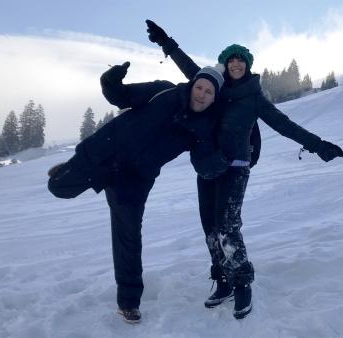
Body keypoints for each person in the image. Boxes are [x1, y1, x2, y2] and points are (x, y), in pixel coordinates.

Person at [146, 20, 343, 320]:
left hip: (236, 169)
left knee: (228, 227)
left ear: (248, 65)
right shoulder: (215, 87)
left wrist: (318, 145)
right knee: (210, 230)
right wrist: (167, 43)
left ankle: (242, 283)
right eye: (232, 59)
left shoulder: (254, 98)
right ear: (225, 64)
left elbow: (284, 125)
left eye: (241, 59)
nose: (236, 63)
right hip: (207, 168)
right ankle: (223, 279)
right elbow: (190, 69)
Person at [47, 61, 226, 324]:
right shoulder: (163, 91)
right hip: (105, 154)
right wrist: (111, 80)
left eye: (209, 93)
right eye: (199, 87)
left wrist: (223, 161)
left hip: (135, 179)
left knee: (128, 237)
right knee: (58, 188)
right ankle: (67, 170)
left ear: (214, 98)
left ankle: (128, 303)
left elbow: (202, 162)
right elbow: (121, 96)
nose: (202, 94)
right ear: (192, 85)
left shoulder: (200, 129)